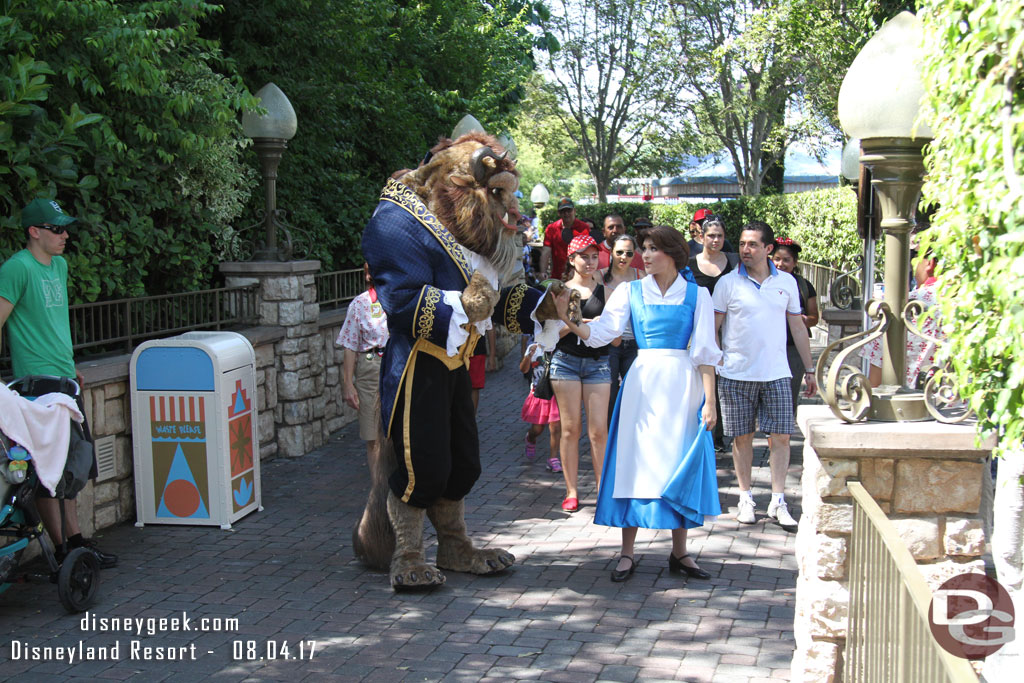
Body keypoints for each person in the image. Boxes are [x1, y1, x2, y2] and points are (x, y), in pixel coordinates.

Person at [554, 225, 722, 582]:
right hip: (642, 384)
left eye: (652, 249)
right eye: (643, 248)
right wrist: (571, 321)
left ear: (673, 253)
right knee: (634, 460)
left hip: (682, 384)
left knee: (676, 461)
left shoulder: (698, 296)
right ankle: (626, 553)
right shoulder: (629, 291)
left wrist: (710, 402)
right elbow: (602, 332)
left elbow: (705, 352)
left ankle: (681, 553)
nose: (644, 256)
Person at [0, 197, 117, 568]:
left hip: (65, 379)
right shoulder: (16, 269)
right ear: (34, 232)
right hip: (37, 385)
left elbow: (56, 323)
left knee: (72, 469)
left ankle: (78, 544)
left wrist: (71, 363)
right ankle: (64, 551)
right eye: (56, 228)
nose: (65, 235)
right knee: (46, 471)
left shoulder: (60, 266)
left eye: (65, 227)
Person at [712, 221, 816, 530]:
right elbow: (713, 328)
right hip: (735, 374)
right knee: (741, 438)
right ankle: (745, 498)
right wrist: (718, 363)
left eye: (753, 244)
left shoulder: (786, 282)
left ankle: (778, 500)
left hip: (777, 373)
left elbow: (798, 326)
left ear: (768, 248)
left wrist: (810, 369)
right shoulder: (727, 284)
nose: (745, 249)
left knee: (781, 438)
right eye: (743, 243)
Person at [550, 234, 610, 513]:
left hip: (598, 363)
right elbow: (550, 334)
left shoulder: (605, 290)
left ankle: (602, 489)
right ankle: (571, 490)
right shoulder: (561, 291)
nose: (589, 261)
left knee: (599, 430)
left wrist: (597, 326)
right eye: (583, 256)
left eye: (593, 256)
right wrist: (581, 323)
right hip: (566, 361)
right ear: (572, 260)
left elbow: (614, 335)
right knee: (570, 429)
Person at [689, 215, 739, 451]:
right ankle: (700, 431)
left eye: (719, 235)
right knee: (702, 382)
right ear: (701, 237)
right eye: (711, 235)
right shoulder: (689, 264)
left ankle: (719, 435)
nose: (715, 239)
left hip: (730, 329)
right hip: (698, 330)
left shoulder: (735, 263)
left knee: (724, 383)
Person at [865, 241, 940, 388]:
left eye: (913, 256)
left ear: (929, 263)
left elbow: (875, 380)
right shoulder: (974, 305)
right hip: (961, 407)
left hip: (910, 405)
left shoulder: (899, 309)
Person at [338, 263, 389, 465]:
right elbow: (350, 344)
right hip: (370, 367)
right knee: (373, 436)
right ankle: (378, 489)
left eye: (371, 269)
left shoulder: (402, 297)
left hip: (399, 364)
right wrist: (348, 384)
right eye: (365, 271)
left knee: (400, 433)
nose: (368, 276)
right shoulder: (360, 303)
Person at [771, 238, 819, 414]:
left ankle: (784, 434)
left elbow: (815, 316)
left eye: (786, 260)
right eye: (777, 259)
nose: (780, 264)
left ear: (795, 262)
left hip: (793, 348)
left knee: (788, 394)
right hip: (768, 345)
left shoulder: (803, 286)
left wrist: (804, 320)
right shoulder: (764, 282)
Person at [601, 234, 644, 421]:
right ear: (611, 252)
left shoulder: (641, 277)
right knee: (609, 395)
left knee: (632, 393)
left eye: (628, 253)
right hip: (608, 344)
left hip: (633, 343)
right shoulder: (599, 276)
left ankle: (628, 435)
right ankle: (610, 438)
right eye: (619, 252)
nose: (623, 257)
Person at [518, 339, 561, 473]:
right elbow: (524, 369)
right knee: (537, 429)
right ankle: (530, 438)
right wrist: (528, 356)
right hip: (540, 392)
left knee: (555, 426)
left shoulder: (561, 345)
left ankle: (553, 459)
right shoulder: (534, 347)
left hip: (556, 392)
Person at [540, 197, 593, 282]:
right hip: (558, 276)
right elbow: (546, 251)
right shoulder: (551, 228)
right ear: (558, 213)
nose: (566, 214)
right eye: (563, 211)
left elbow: (589, 251)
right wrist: (543, 271)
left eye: (569, 211)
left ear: (574, 211)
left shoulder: (584, 227)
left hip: (579, 275)